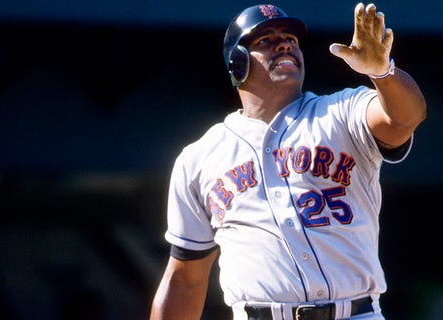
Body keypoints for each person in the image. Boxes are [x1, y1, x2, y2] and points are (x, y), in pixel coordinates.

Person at [150, 2, 426, 320]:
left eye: (291, 40)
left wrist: (383, 73)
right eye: (265, 40)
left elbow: (405, 119)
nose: (284, 43)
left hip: (354, 312)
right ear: (236, 62)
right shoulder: (199, 158)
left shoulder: (341, 112)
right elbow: (185, 278)